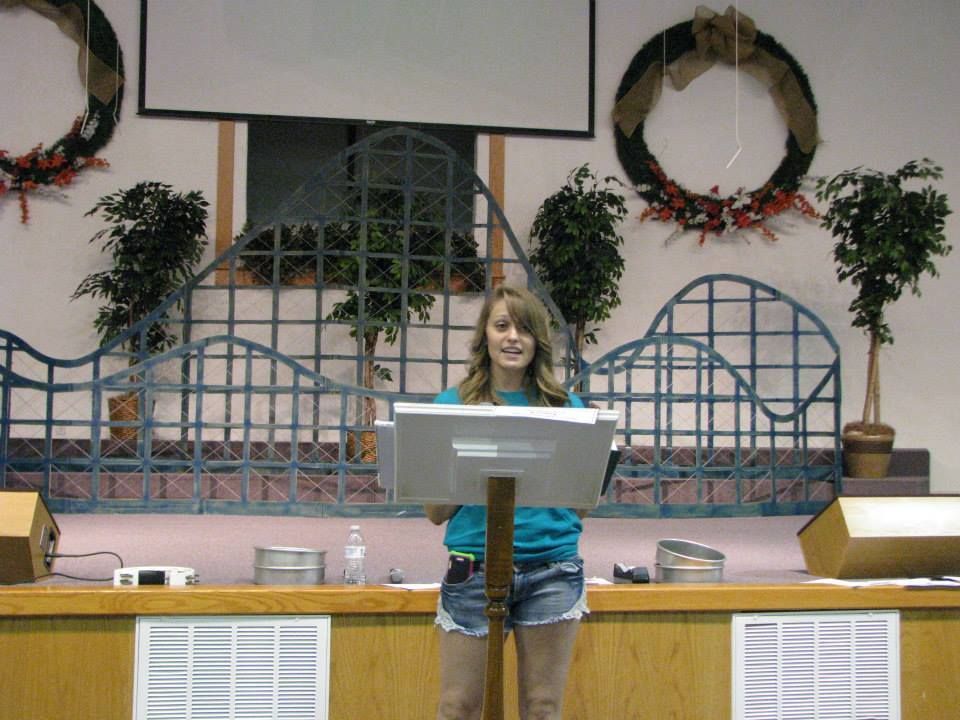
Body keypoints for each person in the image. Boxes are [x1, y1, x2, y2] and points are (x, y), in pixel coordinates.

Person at [425, 284, 592, 720]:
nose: (513, 337)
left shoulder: (567, 408)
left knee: (542, 707)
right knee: (456, 706)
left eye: (524, 328)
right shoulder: (452, 405)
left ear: (538, 341)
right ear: (486, 336)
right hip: (473, 568)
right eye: (502, 326)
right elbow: (435, 512)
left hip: (552, 570)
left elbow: (582, 506)